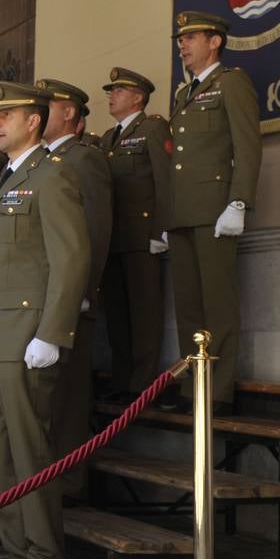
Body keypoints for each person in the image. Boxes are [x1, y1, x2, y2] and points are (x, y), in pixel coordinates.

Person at [0, 81, 89, 559]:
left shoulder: (52, 175)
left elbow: (72, 258)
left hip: (24, 340)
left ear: (34, 122)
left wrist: (52, 332)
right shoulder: (5, 182)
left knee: (30, 456)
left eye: (6, 115)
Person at [166, 11, 261, 409]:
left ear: (214, 41)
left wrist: (238, 202)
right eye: (180, 40)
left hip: (215, 211)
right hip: (183, 213)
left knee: (217, 305)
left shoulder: (231, 83)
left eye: (190, 38)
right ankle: (193, 388)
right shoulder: (184, 94)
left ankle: (216, 393)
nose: (182, 46)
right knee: (189, 308)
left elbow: (247, 146)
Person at [36, 79, 112, 497]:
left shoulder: (83, 159)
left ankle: (68, 482)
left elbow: (96, 228)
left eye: (51, 104)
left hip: (70, 297)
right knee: (48, 399)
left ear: (70, 115)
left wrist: (84, 289)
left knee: (67, 399)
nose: (43, 110)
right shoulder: (44, 162)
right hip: (42, 297)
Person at [98, 68, 172, 400]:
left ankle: (142, 384)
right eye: (111, 91)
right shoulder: (108, 139)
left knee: (144, 314)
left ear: (138, 97)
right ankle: (122, 379)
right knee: (117, 314)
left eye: (119, 90)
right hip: (115, 239)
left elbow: (165, 179)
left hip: (143, 237)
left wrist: (162, 229)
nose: (112, 96)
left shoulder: (153, 128)